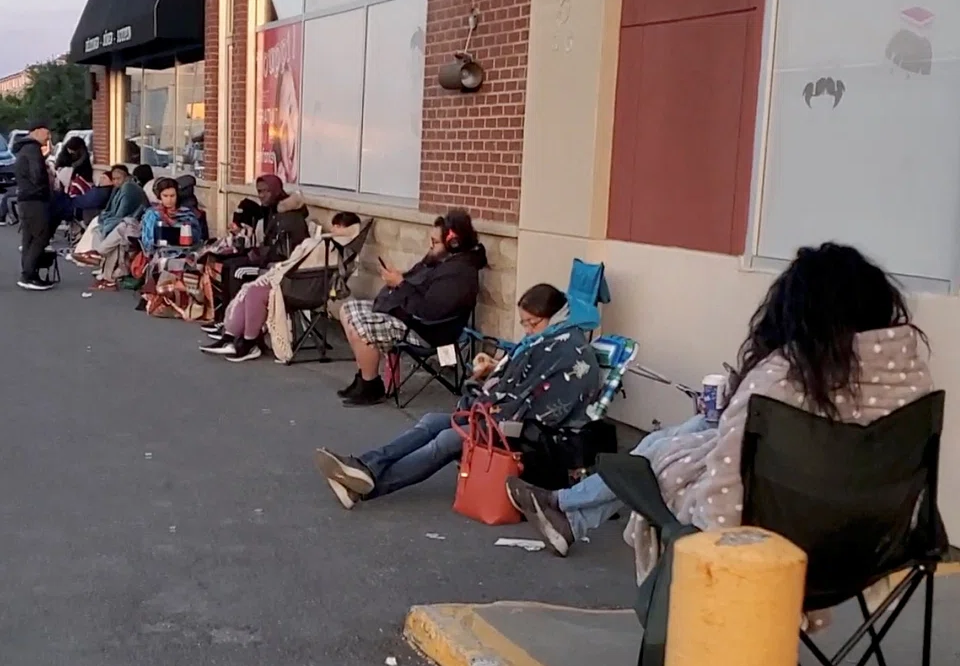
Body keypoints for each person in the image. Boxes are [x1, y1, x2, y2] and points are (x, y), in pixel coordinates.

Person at [506, 243, 935, 558]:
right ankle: (566, 508)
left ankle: (567, 507)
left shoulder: (781, 380)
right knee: (691, 433)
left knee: (655, 455)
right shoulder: (911, 381)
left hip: (778, 546)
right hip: (879, 542)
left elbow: (724, 508)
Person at [315, 283, 601, 506]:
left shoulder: (567, 351)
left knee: (448, 438)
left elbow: (544, 402)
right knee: (431, 421)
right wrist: (492, 376)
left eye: (532, 323)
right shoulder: (550, 339)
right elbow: (524, 383)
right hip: (510, 418)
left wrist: (491, 394)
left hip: (533, 434)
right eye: (524, 323)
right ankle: (365, 467)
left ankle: (366, 485)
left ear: (554, 317)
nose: (526, 330)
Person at [338, 209, 487, 408]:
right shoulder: (442, 261)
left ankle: (371, 385)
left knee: (361, 325)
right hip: (411, 317)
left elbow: (428, 311)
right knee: (347, 309)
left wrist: (400, 284)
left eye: (435, 242)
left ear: (452, 243)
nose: (430, 246)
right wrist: (399, 279)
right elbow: (416, 283)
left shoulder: (459, 275)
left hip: (427, 331)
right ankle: (364, 376)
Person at [201, 212, 362, 363]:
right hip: (298, 284)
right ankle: (230, 337)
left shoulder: (331, 247)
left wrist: (281, 273)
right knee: (251, 289)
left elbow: (304, 268)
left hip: (304, 290)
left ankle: (249, 342)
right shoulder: (328, 245)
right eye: (334, 225)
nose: (334, 229)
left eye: (339, 226)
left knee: (255, 292)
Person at [205, 175, 310, 324]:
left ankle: (237, 323)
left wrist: (256, 254)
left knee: (236, 270)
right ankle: (226, 320)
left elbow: (282, 250)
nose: (261, 196)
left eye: (265, 191)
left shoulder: (288, 216)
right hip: (269, 258)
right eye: (259, 191)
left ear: (276, 190)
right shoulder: (272, 210)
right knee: (228, 265)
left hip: (280, 267)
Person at [72, 165, 148, 268]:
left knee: (117, 229)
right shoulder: (119, 189)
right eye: (114, 179)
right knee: (97, 229)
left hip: (135, 223)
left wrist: (108, 221)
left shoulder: (129, 188)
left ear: (126, 177)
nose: (116, 182)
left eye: (118, 178)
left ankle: (98, 254)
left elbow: (123, 212)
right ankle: (97, 257)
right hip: (125, 221)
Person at [13, 119, 53, 290]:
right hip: (35, 199)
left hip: (25, 198)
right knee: (41, 236)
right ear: (37, 131)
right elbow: (37, 175)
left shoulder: (24, 149)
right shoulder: (33, 150)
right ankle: (29, 275)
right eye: (47, 132)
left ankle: (28, 273)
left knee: (29, 237)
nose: (49, 137)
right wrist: (47, 181)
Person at [140, 178, 206, 255]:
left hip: (185, 254)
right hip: (158, 254)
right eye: (165, 196)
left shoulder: (187, 214)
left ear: (177, 195)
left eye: (172, 196)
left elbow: (197, 237)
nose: (169, 199)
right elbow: (147, 241)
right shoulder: (152, 214)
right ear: (159, 196)